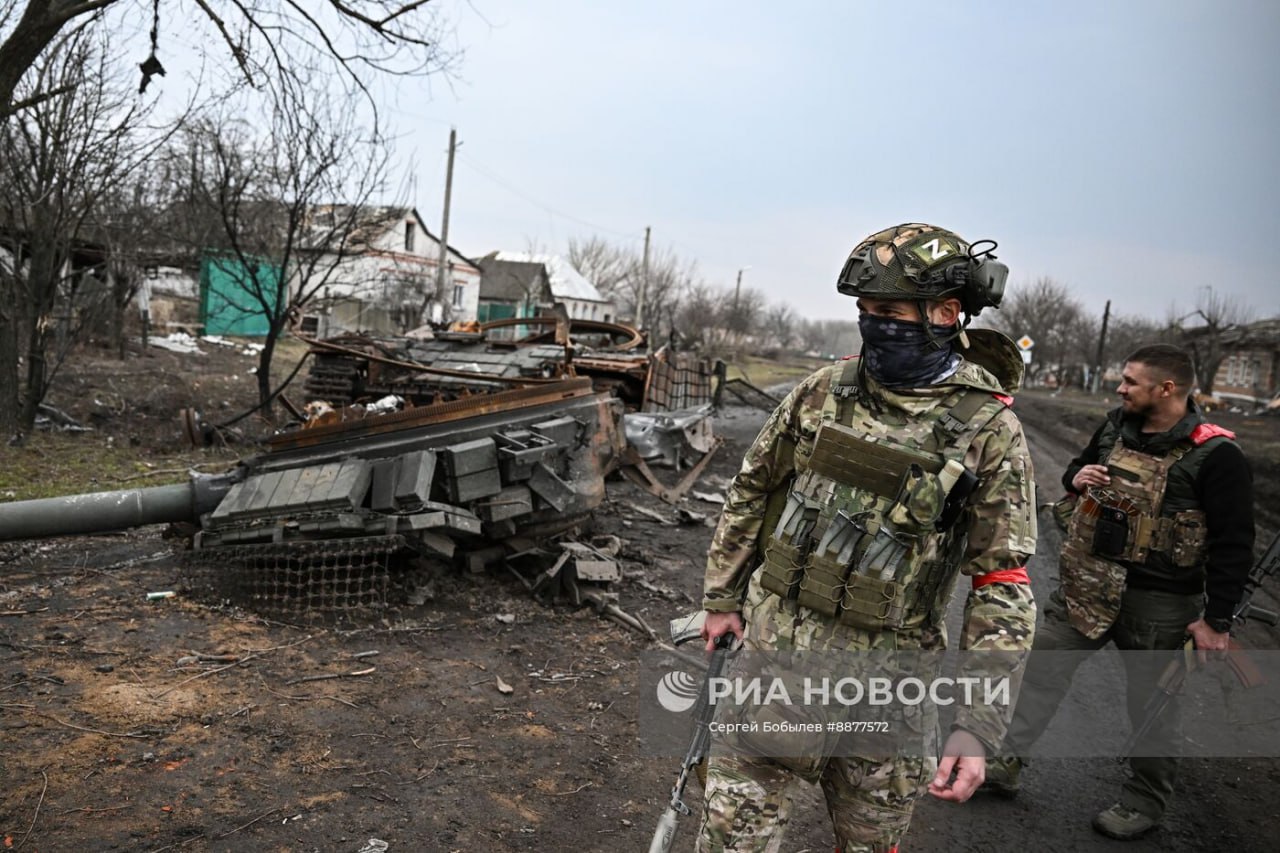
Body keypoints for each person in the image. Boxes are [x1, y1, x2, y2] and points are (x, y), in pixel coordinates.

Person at [696, 222, 1038, 852]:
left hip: (888, 694)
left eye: (891, 312)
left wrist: (978, 725)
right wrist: (721, 598)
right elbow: (753, 488)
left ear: (945, 313)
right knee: (728, 840)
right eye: (866, 310)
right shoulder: (822, 392)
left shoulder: (988, 429)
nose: (874, 324)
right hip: (775, 664)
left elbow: (1002, 584)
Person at [984, 343, 1255, 840]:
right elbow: (1076, 469)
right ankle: (1003, 762)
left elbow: (1234, 543)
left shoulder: (1217, 455)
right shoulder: (1114, 429)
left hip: (1160, 605)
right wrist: (1077, 476)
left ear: (1166, 388)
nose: (1120, 387)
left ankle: (1143, 802)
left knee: (1153, 707)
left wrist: (1216, 621)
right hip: (1086, 588)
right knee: (1038, 674)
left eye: (1130, 381)